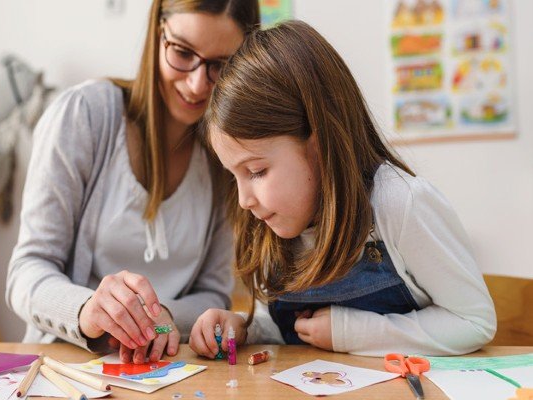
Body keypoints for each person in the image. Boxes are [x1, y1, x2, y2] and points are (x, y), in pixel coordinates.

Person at [188, 20, 496, 357]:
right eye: (235, 175)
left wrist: (349, 332)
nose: (245, 200)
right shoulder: (270, 221)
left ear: (319, 146)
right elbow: (281, 330)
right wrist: (243, 328)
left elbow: (473, 321)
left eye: (257, 171)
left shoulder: (401, 204)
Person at [6, 0, 259, 364]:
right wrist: (87, 310)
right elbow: (26, 272)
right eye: (183, 52)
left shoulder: (225, 156)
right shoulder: (84, 116)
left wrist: (165, 318)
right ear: (158, 33)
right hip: (68, 366)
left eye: (221, 66)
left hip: (170, 370)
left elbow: (213, 294)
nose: (196, 83)